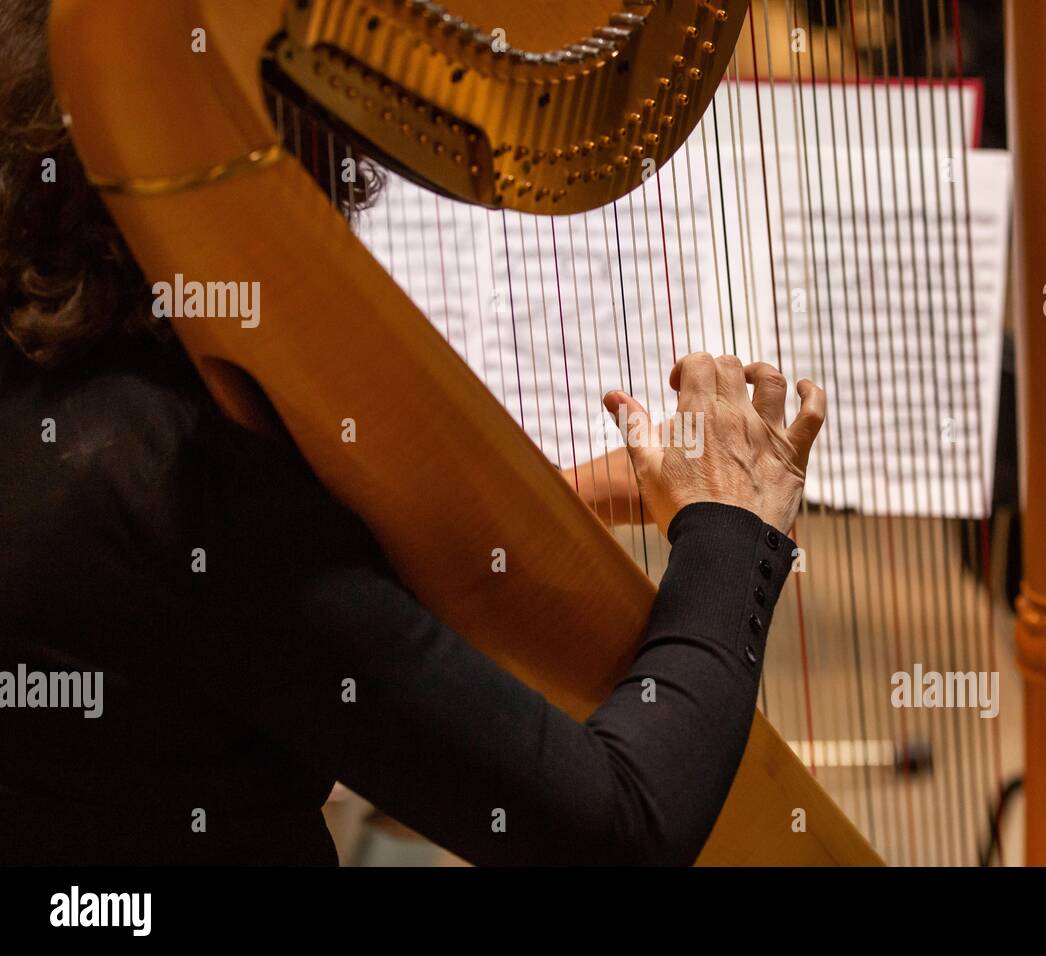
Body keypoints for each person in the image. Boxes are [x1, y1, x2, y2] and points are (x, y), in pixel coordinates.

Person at [0, 0, 826, 865]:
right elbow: (619, 825)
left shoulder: (68, 406)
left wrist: (556, 510)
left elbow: (262, 619)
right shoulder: (189, 488)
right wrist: (735, 530)